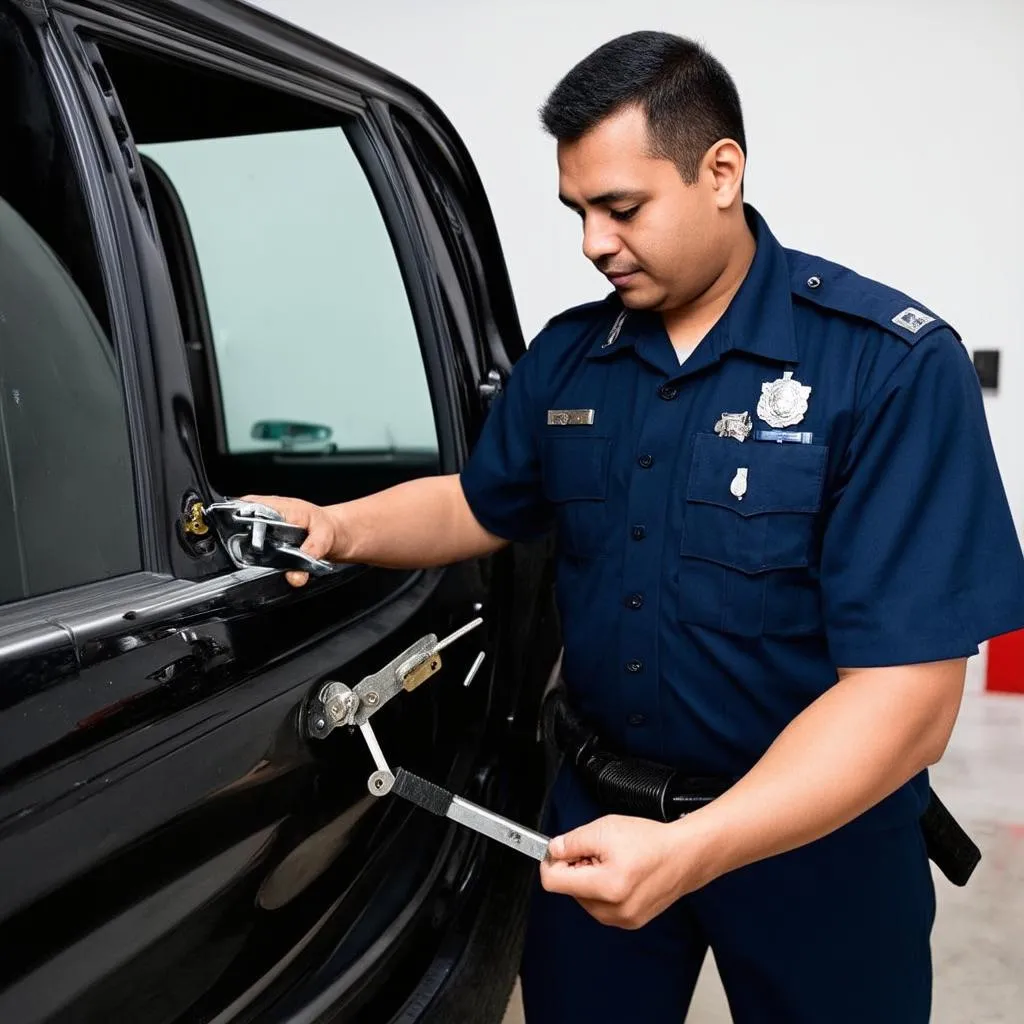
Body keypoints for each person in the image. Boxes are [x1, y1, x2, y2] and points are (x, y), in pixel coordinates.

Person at [246, 31, 1024, 1024]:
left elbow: (908, 701)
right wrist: (334, 525)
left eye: (621, 208)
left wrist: (695, 846)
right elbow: (481, 505)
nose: (593, 244)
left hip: (818, 838)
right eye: (577, 212)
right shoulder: (573, 359)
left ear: (720, 173)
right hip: (594, 811)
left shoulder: (886, 366)